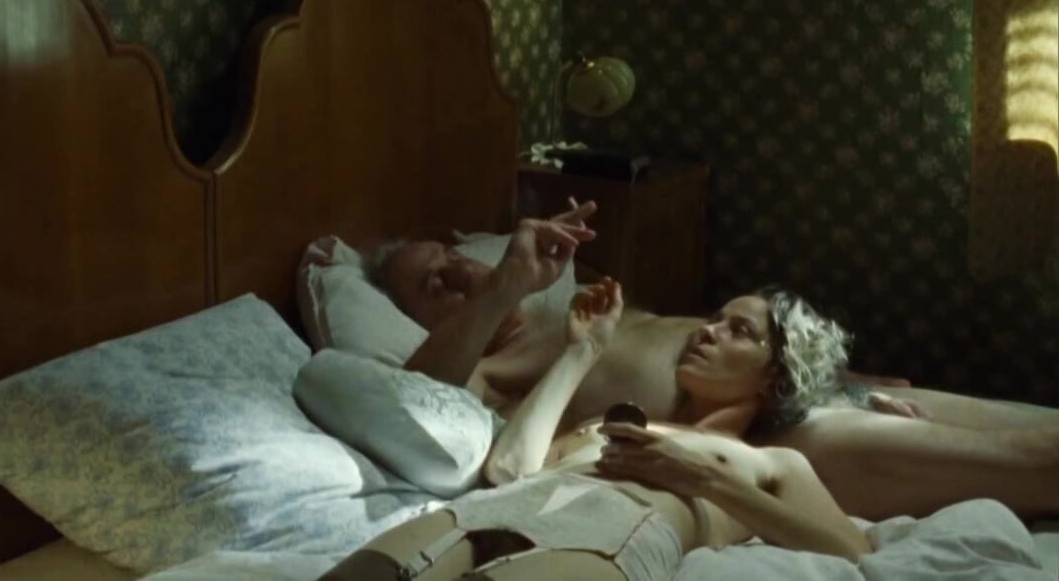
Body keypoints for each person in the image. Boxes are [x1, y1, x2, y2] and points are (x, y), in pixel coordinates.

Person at [368, 203, 1059, 521]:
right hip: (782, 438)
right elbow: (415, 396)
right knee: (1037, 467)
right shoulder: (497, 365)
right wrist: (502, 286)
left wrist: (855, 384)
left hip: (812, 391)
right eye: (432, 284)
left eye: (451, 256)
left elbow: (755, 344)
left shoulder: (567, 308)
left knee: (1040, 431)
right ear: (419, 321)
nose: (458, 272)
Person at [319, 278, 872, 580]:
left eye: (738, 331)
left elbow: (850, 550)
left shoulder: (771, 462)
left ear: (775, 376)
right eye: (714, 321)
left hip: (616, 530)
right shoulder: (603, 424)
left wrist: (703, 480)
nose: (708, 332)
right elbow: (508, 468)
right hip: (503, 504)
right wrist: (582, 350)